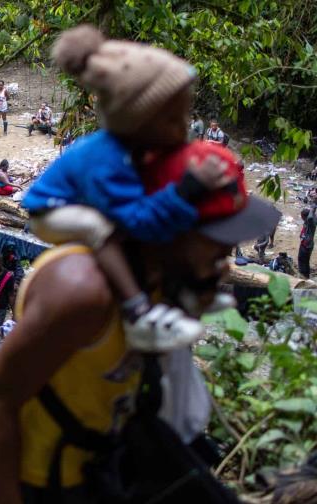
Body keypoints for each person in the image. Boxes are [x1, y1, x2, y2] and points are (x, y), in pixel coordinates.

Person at [0, 144, 280, 504]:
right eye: (218, 241)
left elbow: (173, 407)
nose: (227, 256)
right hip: (51, 484)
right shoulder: (81, 291)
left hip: (107, 462)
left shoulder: (159, 283)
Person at [21, 25, 235, 353]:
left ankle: (191, 284)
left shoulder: (140, 149)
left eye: (184, 119)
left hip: (100, 200)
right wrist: (186, 188)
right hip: (53, 209)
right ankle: (137, 312)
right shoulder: (106, 159)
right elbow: (135, 219)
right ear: (136, 121)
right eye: (171, 122)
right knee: (103, 228)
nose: (182, 131)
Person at [299, 207, 316, 278]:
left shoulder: (310, 222)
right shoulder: (307, 221)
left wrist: (314, 205)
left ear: (304, 216)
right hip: (305, 243)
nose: (301, 217)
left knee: (304, 260)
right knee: (304, 260)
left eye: (301, 216)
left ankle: (304, 275)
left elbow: (310, 217)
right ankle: (305, 274)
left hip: (307, 245)